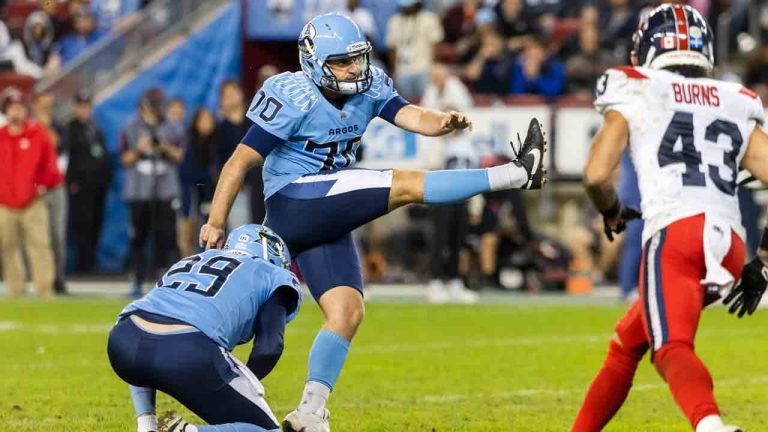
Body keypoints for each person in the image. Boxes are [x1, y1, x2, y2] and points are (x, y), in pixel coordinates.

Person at [199, 14, 546, 432]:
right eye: (342, 62)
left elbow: (409, 115)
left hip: (328, 209)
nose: (354, 69)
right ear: (314, 62)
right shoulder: (293, 95)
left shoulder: (369, 86)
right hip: (293, 201)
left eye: (357, 58)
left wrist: (440, 122)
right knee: (403, 184)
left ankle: (310, 411)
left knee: (347, 311)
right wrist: (216, 221)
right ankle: (515, 173)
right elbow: (239, 161)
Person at [572, 5, 768, 432]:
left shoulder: (636, 87)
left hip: (677, 235)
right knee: (628, 342)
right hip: (729, 245)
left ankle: (711, 426)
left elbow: (596, 175)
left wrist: (611, 211)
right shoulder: (733, 99)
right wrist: (764, 262)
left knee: (670, 347)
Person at [107, 224, 301, 432]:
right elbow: (269, 348)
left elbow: (154, 312)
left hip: (124, 339)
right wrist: (238, 383)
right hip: (186, 349)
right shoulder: (272, 273)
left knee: (150, 324)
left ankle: (146, 425)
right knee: (268, 430)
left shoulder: (193, 259)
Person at [421, 63, 479, 304]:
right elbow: (431, 164)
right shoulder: (436, 143)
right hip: (442, 194)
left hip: (462, 196)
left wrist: (476, 204)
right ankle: (436, 281)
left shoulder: (469, 144)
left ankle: (455, 280)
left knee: (458, 240)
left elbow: (475, 174)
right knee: (440, 238)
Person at [120, 88, 183, 297]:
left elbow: (179, 155)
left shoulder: (172, 127)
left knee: (166, 236)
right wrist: (140, 148)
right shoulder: (130, 126)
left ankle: (166, 280)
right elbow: (124, 158)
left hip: (165, 189)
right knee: (138, 237)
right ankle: (137, 280)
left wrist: (164, 146)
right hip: (139, 190)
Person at [0, 90, 62, 298]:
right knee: (8, 249)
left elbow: (51, 166)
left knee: (40, 247)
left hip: (32, 202)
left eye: (19, 107)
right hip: (4, 203)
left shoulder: (37, 134)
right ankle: (14, 291)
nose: (15, 112)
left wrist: (41, 186)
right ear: (6, 111)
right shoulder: (1, 136)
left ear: (25, 110)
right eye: (11, 108)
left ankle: (44, 292)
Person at [62, 92, 112, 273]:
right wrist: (71, 181)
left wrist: (106, 178)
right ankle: (82, 265)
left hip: (97, 185)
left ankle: (90, 263)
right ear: (75, 108)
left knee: (95, 224)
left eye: (87, 106)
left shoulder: (94, 128)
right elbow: (66, 157)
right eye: (81, 106)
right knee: (82, 225)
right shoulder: (70, 129)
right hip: (80, 185)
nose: (85, 110)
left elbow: (102, 154)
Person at [178, 108, 217, 258]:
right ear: (196, 123)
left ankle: (207, 259)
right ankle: (187, 261)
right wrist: (209, 176)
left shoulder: (216, 142)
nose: (208, 123)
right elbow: (186, 171)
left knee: (209, 231)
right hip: (192, 192)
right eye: (203, 120)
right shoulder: (190, 142)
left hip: (210, 193)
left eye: (210, 120)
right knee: (188, 231)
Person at [385, 0, 445, 99]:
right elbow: (392, 48)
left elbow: (435, 45)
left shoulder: (430, 19)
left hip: (424, 69)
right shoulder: (394, 21)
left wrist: (433, 67)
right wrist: (395, 69)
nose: (407, 8)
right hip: (403, 71)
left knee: (426, 101)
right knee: (406, 103)